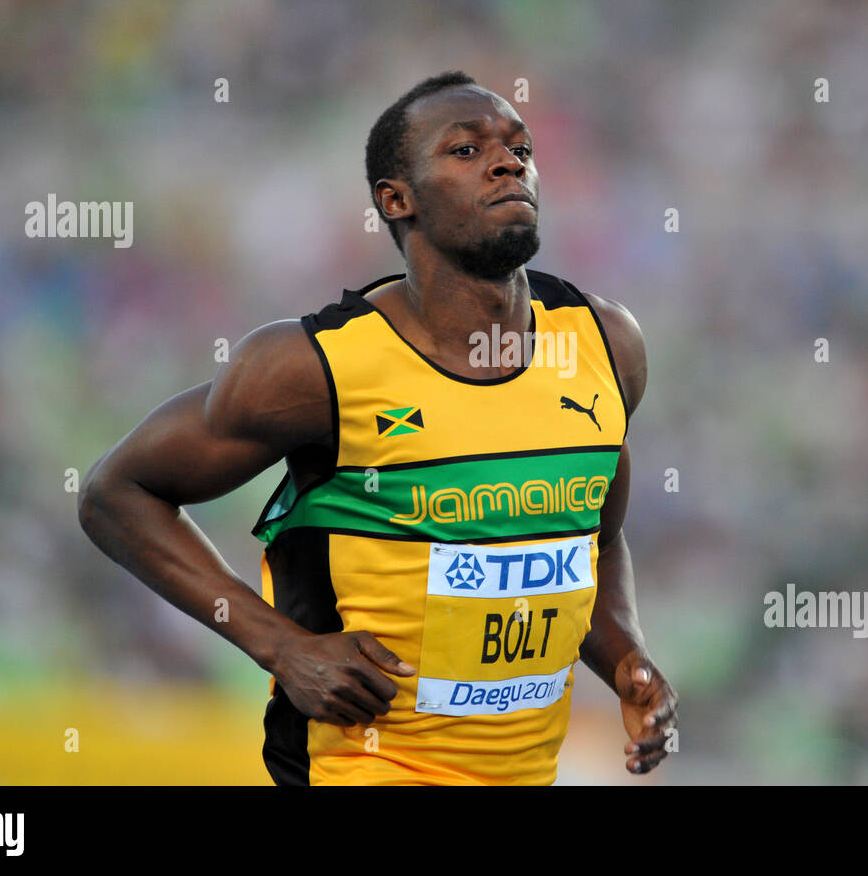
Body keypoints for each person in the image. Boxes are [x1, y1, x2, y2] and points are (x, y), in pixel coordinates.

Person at [78, 70, 678, 785]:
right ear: (396, 199)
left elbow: (595, 542)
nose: (508, 161)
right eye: (465, 150)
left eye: (521, 148)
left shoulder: (606, 345)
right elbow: (116, 494)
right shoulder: (312, 367)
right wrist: (281, 646)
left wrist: (627, 659)